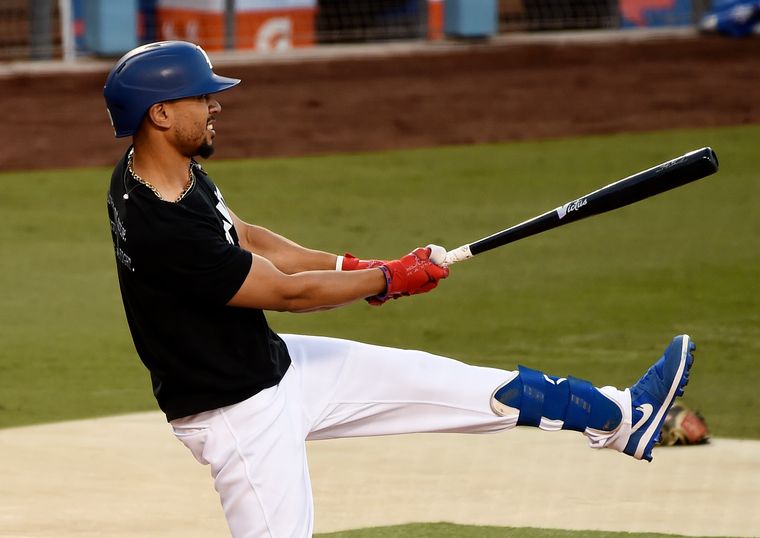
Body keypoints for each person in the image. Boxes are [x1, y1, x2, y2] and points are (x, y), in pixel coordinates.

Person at [104, 41, 696, 538]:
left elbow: (249, 238)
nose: (215, 107)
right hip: (237, 414)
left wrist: (359, 265)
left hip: (276, 367)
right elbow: (287, 293)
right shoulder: (164, 228)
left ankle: (625, 418)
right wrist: (388, 278)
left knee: (468, 389)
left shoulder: (164, 173)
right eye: (203, 97)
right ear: (159, 114)